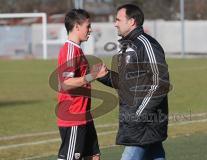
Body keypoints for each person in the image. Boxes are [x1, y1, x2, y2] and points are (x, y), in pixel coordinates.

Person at [98, 4, 170, 160]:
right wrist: (105, 76)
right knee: (156, 154)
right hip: (135, 120)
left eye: (118, 19)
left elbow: (160, 83)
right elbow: (128, 83)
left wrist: (139, 113)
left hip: (144, 121)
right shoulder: (127, 46)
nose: (115, 23)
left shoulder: (146, 44)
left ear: (131, 22)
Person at [56, 9, 108, 160]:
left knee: (93, 156)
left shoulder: (77, 50)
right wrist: (93, 75)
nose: (90, 30)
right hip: (73, 117)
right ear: (77, 26)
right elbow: (65, 84)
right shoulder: (70, 50)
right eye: (88, 26)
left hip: (84, 115)